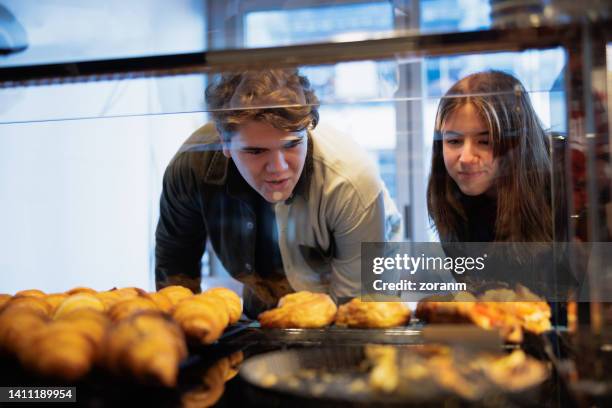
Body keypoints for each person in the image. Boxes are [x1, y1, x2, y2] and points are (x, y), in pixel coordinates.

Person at [155, 69, 401, 318]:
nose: (278, 168)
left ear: (308, 128)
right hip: (263, 293)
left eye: (292, 144)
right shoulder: (192, 168)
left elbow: (352, 311)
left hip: (361, 288)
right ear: (224, 142)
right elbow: (175, 278)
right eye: (256, 151)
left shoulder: (349, 179)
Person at [426, 70, 577, 300]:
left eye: (485, 141)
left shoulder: (569, 179)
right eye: (454, 141)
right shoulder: (450, 195)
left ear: (516, 143)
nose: (466, 157)